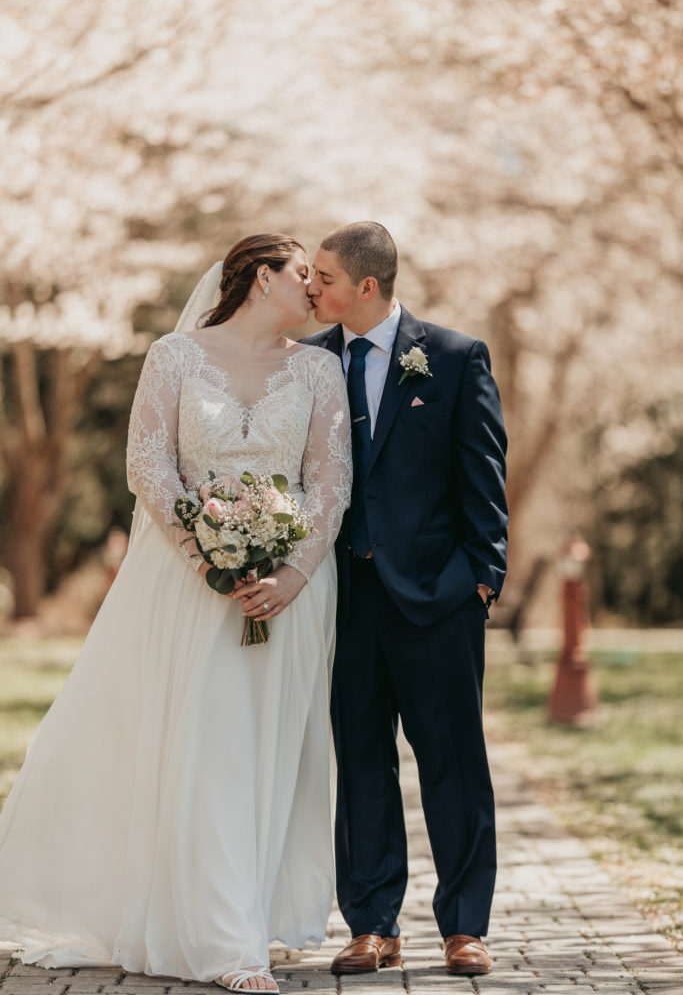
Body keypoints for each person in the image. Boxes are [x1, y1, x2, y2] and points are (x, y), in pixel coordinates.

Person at [0, 235, 352, 993]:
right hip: (185, 580)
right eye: (302, 275)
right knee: (205, 738)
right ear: (261, 279)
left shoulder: (320, 369)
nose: (317, 288)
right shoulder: (174, 356)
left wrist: (288, 572)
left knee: (264, 744)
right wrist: (206, 552)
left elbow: (329, 479)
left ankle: (242, 917)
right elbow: (147, 460)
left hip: (290, 589)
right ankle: (222, 943)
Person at [303, 222, 508, 977]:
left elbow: (484, 477)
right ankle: (371, 923)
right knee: (360, 762)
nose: (309, 287)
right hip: (344, 602)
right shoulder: (308, 363)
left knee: (453, 763)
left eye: (322, 277)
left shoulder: (452, 358)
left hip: (438, 599)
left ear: (366, 285)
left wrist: (480, 579)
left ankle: (463, 926)